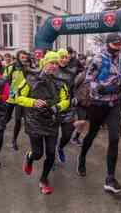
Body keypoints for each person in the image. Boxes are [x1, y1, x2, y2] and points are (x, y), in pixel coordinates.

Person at [76, 33, 121, 194]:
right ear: (109, 44)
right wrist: (101, 88)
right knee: (92, 133)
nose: (119, 46)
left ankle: (110, 179)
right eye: (116, 44)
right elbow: (88, 80)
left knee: (114, 138)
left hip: (114, 104)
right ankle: (82, 158)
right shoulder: (98, 59)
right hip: (98, 103)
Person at [17, 51, 69, 194]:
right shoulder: (31, 78)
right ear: (44, 62)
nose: (53, 66)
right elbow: (18, 97)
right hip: (34, 121)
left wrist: (58, 107)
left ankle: (44, 180)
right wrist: (33, 102)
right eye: (51, 62)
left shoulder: (60, 82)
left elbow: (66, 101)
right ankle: (29, 157)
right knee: (38, 153)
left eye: (56, 63)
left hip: (52, 121)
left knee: (51, 153)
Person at [3, 50, 33, 150]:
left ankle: (14, 140)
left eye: (25, 58)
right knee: (6, 118)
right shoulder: (10, 68)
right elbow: (4, 81)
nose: (24, 59)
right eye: (22, 58)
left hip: (21, 99)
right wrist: (8, 92)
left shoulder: (29, 68)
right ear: (18, 58)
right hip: (10, 98)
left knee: (18, 120)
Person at [55, 48, 81, 164]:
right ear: (57, 57)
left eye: (66, 57)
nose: (64, 59)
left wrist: (75, 96)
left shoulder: (71, 72)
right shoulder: (52, 69)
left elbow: (73, 87)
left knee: (67, 134)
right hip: (54, 106)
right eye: (62, 57)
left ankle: (60, 147)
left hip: (68, 106)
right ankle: (51, 156)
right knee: (52, 135)